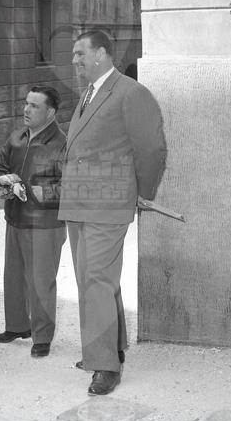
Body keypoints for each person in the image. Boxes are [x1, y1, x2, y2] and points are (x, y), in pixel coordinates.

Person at [58, 30, 166, 396]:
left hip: (107, 204)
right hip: (79, 203)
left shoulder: (131, 93)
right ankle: (106, 348)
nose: (74, 60)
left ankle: (105, 366)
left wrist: (143, 193)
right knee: (90, 280)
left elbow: (151, 149)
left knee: (98, 282)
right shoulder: (89, 94)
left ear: (101, 53)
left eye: (80, 53)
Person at [0, 86, 67, 358]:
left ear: (51, 112)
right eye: (26, 103)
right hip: (15, 218)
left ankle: (42, 336)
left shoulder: (63, 144)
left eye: (34, 106)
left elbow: (71, 187)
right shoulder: (17, 137)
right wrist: (3, 181)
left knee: (41, 282)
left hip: (46, 224)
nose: (26, 109)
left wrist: (33, 190)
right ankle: (17, 326)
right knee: (13, 277)